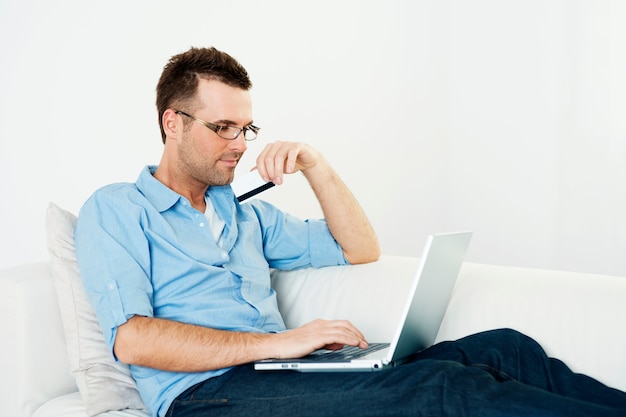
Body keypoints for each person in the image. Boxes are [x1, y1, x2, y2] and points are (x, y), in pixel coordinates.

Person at [75, 47, 626, 417]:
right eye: (223, 128)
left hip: (285, 375)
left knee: (506, 348)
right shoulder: (118, 209)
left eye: (246, 128)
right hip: (207, 397)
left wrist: (316, 164)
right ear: (173, 123)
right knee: (441, 391)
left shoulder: (244, 214)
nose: (240, 144)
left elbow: (360, 249)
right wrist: (284, 342)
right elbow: (133, 338)